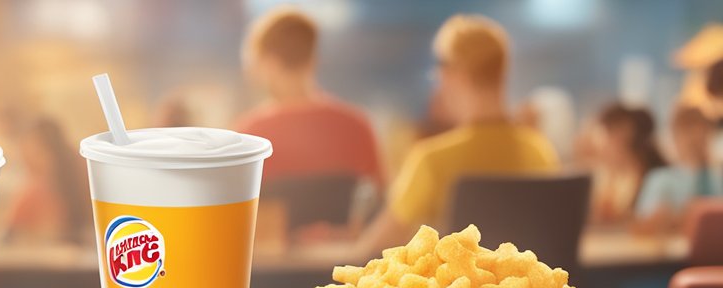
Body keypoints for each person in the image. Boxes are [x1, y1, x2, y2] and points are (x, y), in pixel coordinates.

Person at [356, 15, 558, 255]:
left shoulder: (432, 160)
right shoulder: (539, 152)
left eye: (440, 66)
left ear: (455, 74)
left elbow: (373, 248)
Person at [234, 7, 382, 189]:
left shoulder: (251, 136)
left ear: (270, 63)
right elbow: (383, 199)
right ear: (313, 60)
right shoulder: (358, 126)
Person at [2, 116, 92, 245]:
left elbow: (8, 235)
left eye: (33, 153)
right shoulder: (83, 177)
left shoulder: (36, 190)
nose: (26, 161)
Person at [633, 104, 721, 232]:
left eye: (702, 137)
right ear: (675, 138)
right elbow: (643, 224)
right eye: (688, 137)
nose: (696, 142)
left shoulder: (718, 179)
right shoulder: (660, 179)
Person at [590, 104, 666, 224]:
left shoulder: (652, 178)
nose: (601, 145)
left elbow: (643, 219)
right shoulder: (609, 176)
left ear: (624, 133)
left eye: (606, 135)